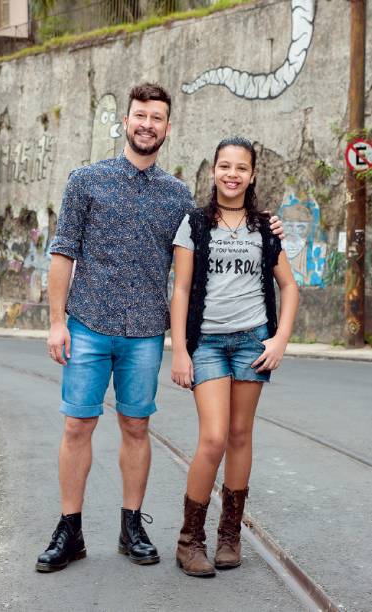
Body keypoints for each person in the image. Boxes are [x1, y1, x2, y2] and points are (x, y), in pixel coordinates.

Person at [35, 85, 285, 573]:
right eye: (140, 116)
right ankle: (70, 529)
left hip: (146, 332)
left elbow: (214, 237)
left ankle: (132, 526)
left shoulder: (177, 197)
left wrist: (268, 225)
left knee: (136, 425)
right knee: (76, 425)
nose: (147, 124)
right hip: (87, 324)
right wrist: (56, 322)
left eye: (157, 118)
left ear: (167, 129)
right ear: (125, 121)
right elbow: (63, 251)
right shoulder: (85, 180)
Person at [170, 136, 299, 577]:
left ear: (252, 174)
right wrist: (181, 351)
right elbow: (182, 289)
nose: (232, 174)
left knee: (241, 434)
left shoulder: (265, 226)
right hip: (206, 343)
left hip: (251, 342)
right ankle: (191, 540)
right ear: (213, 172)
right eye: (224, 166)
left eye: (240, 168)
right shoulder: (194, 224)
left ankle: (229, 535)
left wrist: (279, 339)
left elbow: (289, 286)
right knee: (213, 438)